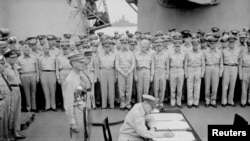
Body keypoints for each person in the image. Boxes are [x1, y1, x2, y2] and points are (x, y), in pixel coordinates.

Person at [63, 51, 93, 141]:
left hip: (82, 109)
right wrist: (72, 122)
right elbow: (68, 103)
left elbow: (80, 92)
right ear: (74, 63)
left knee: (83, 135)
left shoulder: (78, 76)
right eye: (81, 62)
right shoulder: (70, 80)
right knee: (77, 137)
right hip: (76, 112)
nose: (84, 64)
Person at [3, 50, 26, 140]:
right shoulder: (5, 68)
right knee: (11, 113)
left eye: (16, 57)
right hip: (11, 90)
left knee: (17, 112)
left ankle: (17, 132)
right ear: (7, 58)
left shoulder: (15, 66)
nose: (15, 59)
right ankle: (9, 133)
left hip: (17, 88)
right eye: (12, 58)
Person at [16, 45, 39, 112]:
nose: (27, 51)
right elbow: (17, 70)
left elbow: (37, 67)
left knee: (33, 92)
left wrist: (37, 77)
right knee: (26, 92)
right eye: (25, 50)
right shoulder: (19, 59)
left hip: (33, 74)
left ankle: (34, 107)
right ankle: (28, 107)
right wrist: (18, 79)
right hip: (24, 75)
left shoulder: (33, 57)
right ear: (22, 51)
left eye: (28, 50)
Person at [115, 37, 135, 110]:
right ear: (121, 44)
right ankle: (122, 103)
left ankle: (128, 103)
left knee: (129, 89)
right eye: (123, 43)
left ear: (127, 44)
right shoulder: (118, 53)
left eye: (126, 43)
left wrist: (128, 72)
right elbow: (117, 64)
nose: (124, 45)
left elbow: (133, 64)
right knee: (121, 89)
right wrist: (123, 72)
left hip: (129, 72)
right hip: (121, 72)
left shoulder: (131, 53)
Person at [203, 37, 223, 108]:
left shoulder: (219, 51)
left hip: (216, 67)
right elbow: (203, 62)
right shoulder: (205, 51)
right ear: (209, 44)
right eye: (211, 44)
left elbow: (221, 63)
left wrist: (221, 72)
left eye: (214, 44)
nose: (212, 45)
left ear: (216, 44)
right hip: (208, 67)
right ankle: (207, 100)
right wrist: (203, 71)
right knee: (207, 86)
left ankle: (213, 101)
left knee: (215, 86)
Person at [185, 39, 205, 108]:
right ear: (192, 44)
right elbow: (185, 63)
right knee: (189, 87)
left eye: (196, 44)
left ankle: (196, 102)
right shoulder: (188, 52)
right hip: (190, 69)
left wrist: (202, 72)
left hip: (198, 69)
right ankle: (190, 102)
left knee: (197, 87)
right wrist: (186, 72)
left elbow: (203, 63)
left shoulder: (201, 52)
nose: (195, 45)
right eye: (194, 44)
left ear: (198, 45)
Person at [221, 36, 241, 107]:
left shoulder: (238, 50)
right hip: (226, 67)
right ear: (228, 42)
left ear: (235, 42)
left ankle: (230, 101)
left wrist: (238, 70)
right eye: (230, 42)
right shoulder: (224, 50)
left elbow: (239, 60)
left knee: (232, 85)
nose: (231, 43)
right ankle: (224, 101)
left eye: (233, 42)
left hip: (234, 67)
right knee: (225, 85)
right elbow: (222, 61)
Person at [97, 39, 116, 109]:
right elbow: (98, 65)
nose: (107, 48)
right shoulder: (100, 55)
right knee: (103, 88)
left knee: (111, 89)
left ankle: (111, 104)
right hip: (103, 71)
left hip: (111, 70)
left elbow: (115, 65)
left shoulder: (114, 54)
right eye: (105, 46)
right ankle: (104, 104)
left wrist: (115, 75)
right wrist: (98, 75)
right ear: (103, 47)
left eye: (108, 46)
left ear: (110, 47)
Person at [168, 36, 186, 108]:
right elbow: (169, 64)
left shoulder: (183, 53)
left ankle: (179, 102)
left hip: (180, 70)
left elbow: (185, 64)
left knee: (179, 88)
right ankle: (172, 102)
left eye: (179, 46)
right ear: (174, 46)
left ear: (181, 46)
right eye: (176, 46)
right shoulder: (170, 53)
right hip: (173, 70)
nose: (177, 48)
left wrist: (184, 73)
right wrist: (168, 73)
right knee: (172, 88)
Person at [38, 46, 57, 111]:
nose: (47, 50)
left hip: (52, 73)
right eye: (45, 48)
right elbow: (39, 68)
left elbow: (56, 67)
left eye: (48, 48)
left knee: (53, 90)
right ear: (43, 49)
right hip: (44, 73)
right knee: (45, 91)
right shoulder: (40, 58)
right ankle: (47, 106)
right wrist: (40, 76)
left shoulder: (54, 57)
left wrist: (57, 76)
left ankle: (53, 106)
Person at [153, 39, 169, 109]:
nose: (159, 47)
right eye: (157, 46)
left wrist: (167, 74)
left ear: (162, 46)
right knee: (156, 88)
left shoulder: (166, 54)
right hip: (156, 72)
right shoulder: (153, 54)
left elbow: (167, 65)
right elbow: (152, 65)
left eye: (160, 45)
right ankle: (156, 102)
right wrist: (152, 74)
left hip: (163, 72)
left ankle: (161, 102)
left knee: (162, 89)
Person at [239, 40, 250, 107]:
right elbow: (240, 65)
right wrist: (240, 74)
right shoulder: (243, 54)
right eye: (249, 46)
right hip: (245, 69)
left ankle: (249, 101)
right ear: (247, 46)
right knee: (244, 87)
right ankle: (243, 101)